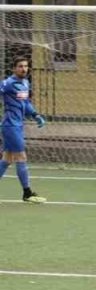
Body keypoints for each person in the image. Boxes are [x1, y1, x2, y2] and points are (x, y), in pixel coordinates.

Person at [1, 57, 47, 203]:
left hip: (18, 125)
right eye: (20, 66)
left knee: (7, 159)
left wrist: (35, 114)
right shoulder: (8, 83)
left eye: (26, 66)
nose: (24, 69)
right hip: (10, 126)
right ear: (14, 68)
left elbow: (25, 102)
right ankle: (27, 193)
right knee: (21, 157)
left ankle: (27, 193)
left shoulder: (26, 83)